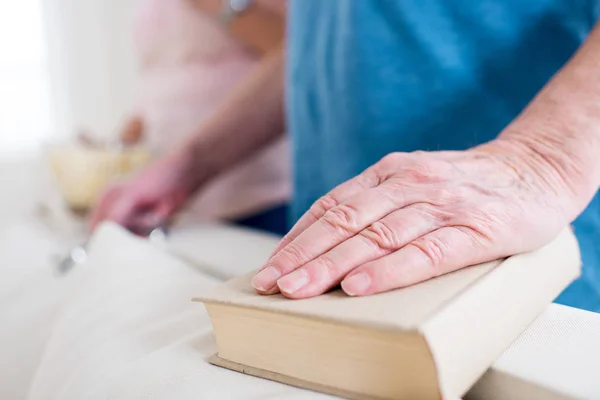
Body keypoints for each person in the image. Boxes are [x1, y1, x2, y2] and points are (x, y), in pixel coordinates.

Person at [92, 1, 600, 313]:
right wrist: (192, 163)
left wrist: (539, 160)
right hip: (344, 268)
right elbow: (324, 45)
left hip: (515, 258)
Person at [91, 0, 291, 236]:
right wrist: (134, 129)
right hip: (181, 197)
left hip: (256, 190)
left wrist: (221, 5)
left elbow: (302, 53)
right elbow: (161, 69)